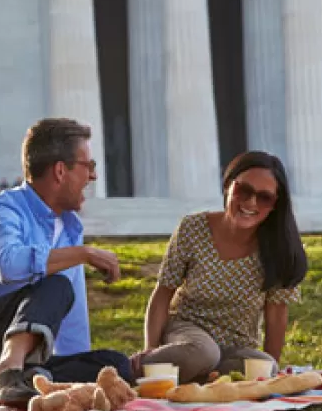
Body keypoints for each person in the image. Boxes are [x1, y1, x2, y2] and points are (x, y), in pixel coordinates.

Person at [0, 118, 131, 408]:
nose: (93, 177)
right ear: (61, 170)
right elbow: (9, 265)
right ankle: (3, 374)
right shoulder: (1, 211)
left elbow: (71, 325)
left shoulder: (70, 227)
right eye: (89, 166)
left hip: (21, 350)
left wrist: (83, 375)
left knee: (116, 366)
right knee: (55, 285)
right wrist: (84, 253)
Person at [132, 151, 308, 384]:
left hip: (236, 346)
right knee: (203, 353)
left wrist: (269, 373)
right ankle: (132, 372)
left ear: (275, 205)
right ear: (228, 186)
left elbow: (276, 315)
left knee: (263, 367)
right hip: (188, 333)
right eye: (244, 190)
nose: (250, 203)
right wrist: (151, 350)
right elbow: (163, 293)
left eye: (264, 197)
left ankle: (191, 379)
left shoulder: (280, 249)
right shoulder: (192, 228)